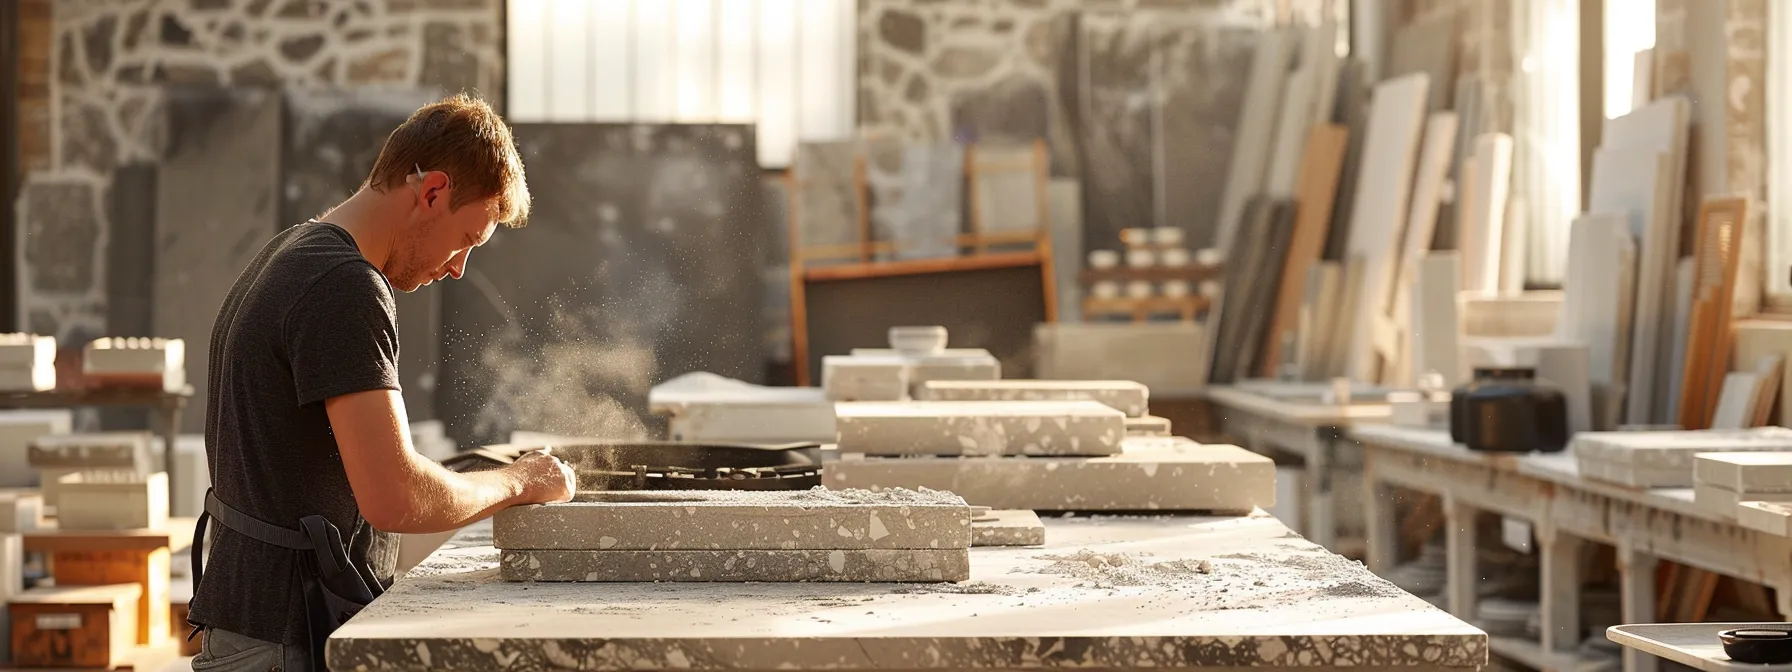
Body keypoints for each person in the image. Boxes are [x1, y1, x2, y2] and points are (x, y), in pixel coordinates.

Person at [186, 93, 576, 671]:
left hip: (258, 624)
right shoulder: (344, 287)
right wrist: (520, 482)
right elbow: (395, 496)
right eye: (466, 239)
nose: (456, 268)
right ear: (434, 192)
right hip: (285, 642)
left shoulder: (291, 252)